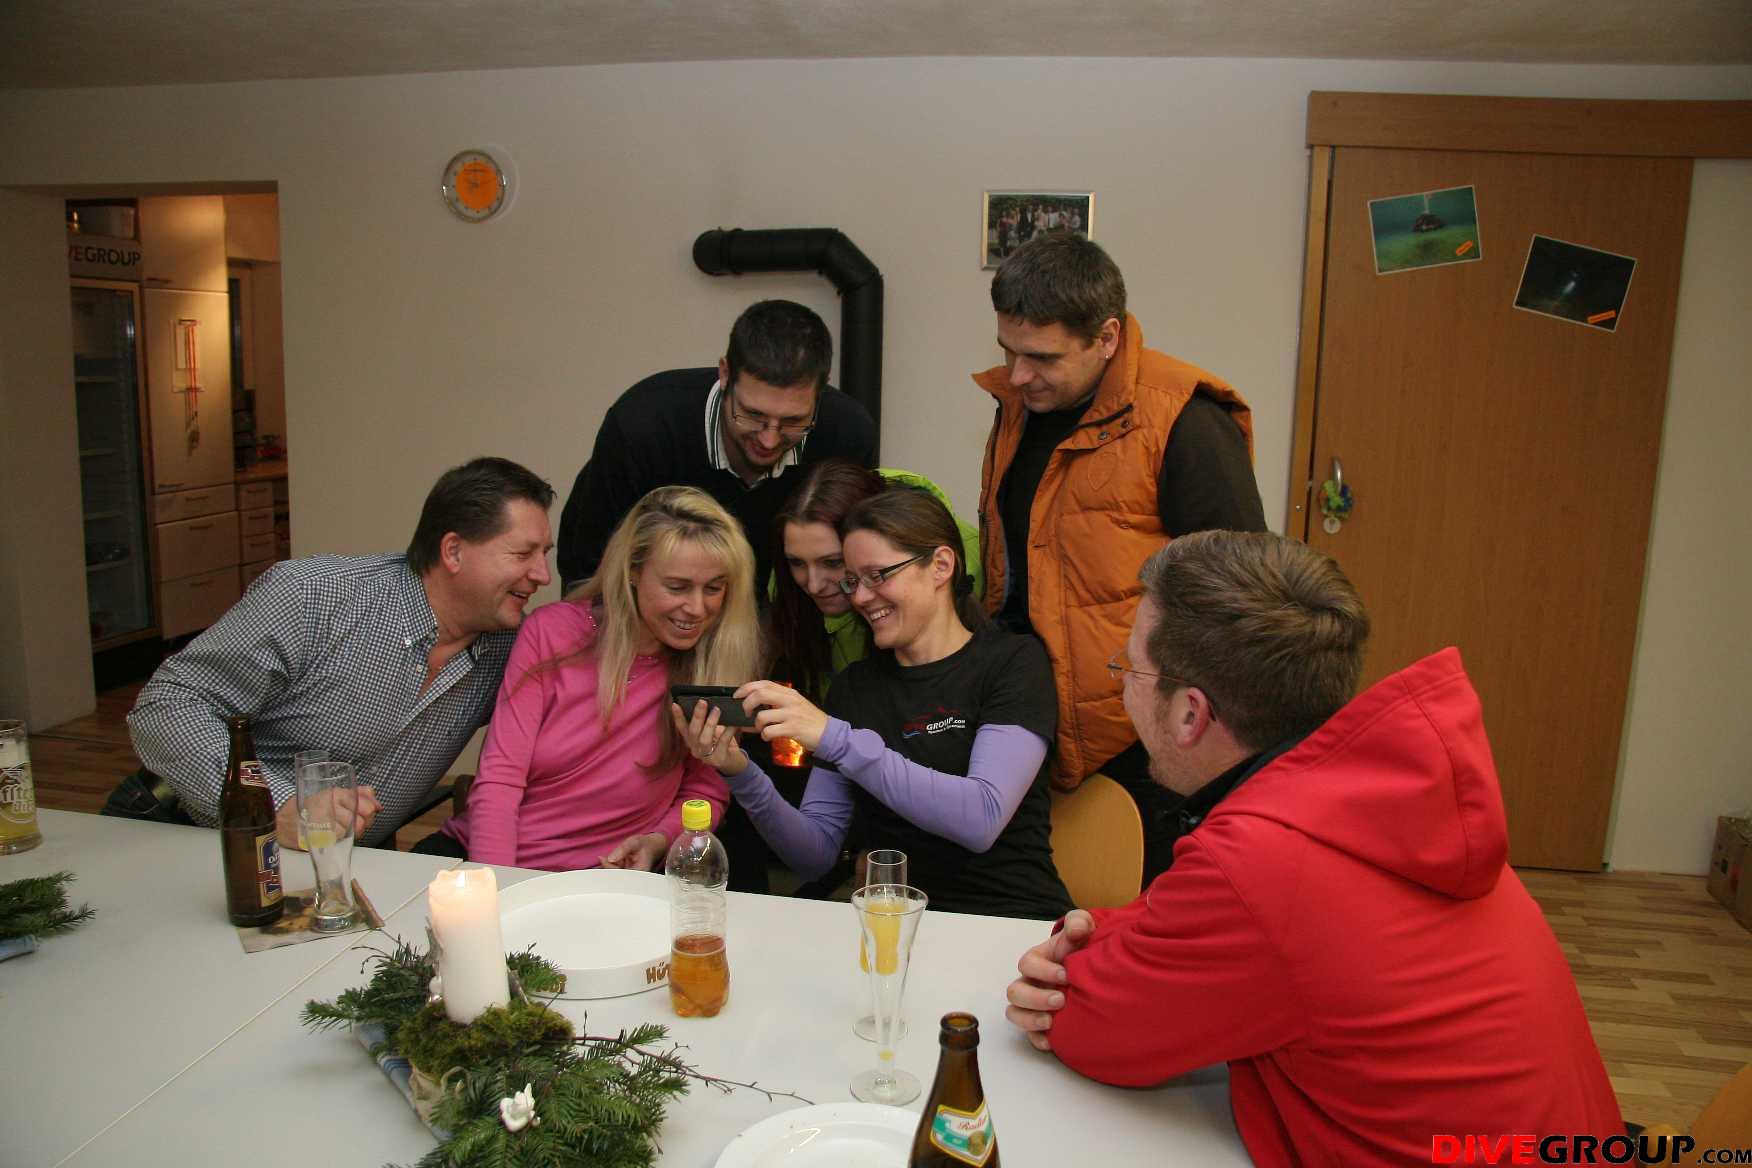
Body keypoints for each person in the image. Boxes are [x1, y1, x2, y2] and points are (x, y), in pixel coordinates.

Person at [1002, 531, 1623, 1164]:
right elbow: (1198, 934)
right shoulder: (1385, 803)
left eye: (1131, 669)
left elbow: (1086, 1022)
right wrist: (1113, 932)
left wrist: (1083, 956)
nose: (1122, 687)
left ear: (1192, 714)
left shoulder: (1258, 863)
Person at [974, 232, 1266, 882]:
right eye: (1008, 351)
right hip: (1036, 716)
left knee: (1141, 907)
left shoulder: (1184, 421)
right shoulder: (1019, 408)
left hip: (1145, 732)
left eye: (1041, 357)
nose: (1018, 375)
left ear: (1106, 337)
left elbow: (1241, 602)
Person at [678, 485, 1072, 920]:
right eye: (853, 580)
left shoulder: (1013, 662)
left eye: (878, 575)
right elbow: (815, 855)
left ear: (941, 566)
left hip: (1012, 921)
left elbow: (981, 818)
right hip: (896, 924)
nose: (860, 597)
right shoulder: (856, 688)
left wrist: (835, 738)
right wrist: (739, 771)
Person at [127, 457, 556, 849]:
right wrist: (277, 806)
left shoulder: (514, 648)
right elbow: (166, 705)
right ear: (454, 551)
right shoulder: (312, 596)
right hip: (184, 831)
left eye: (545, 555)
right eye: (523, 554)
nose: (542, 575)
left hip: (342, 864)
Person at [424, 486, 760, 871]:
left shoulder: (715, 661)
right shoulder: (551, 632)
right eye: (677, 587)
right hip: (491, 863)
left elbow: (705, 792)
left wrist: (658, 841)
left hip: (605, 879)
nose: (698, 608)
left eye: (714, 588)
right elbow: (500, 779)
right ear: (632, 572)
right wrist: (498, 885)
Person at [725, 458, 983, 893]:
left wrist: (882, 842)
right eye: (796, 563)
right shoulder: (844, 673)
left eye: (832, 562)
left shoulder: (994, 654)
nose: (813, 583)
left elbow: (974, 807)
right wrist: (739, 769)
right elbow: (817, 845)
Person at [556, 299, 878, 594]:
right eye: (753, 415)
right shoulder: (643, 426)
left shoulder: (847, 433)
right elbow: (592, 569)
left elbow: (856, 559)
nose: (769, 439)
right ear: (725, 374)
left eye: (793, 421)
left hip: (783, 614)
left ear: (820, 393)